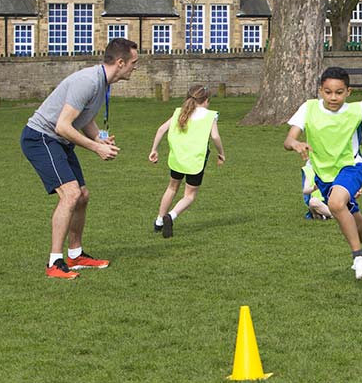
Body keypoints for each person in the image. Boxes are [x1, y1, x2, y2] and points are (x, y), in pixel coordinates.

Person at [20, 38, 138, 279]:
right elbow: (63, 126)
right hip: (40, 138)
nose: (136, 67)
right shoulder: (88, 82)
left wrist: (100, 138)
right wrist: (96, 148)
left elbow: (84, 117)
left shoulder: (103, 83)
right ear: (121, 62)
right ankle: (54, 262)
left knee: (82, 196)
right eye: (134, 62)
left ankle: (76, 255)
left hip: (58, 140)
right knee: (71, 194)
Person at [284, 67, 362, 287]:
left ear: (348, 92)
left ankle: (359, 257)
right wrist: (296, 143)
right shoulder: (308, 109)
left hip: (352, 167)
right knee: (356, 222)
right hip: (325, 177)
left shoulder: (356, 110)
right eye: (328, 92)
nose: (333, 97)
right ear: (320, 91)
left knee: (336, 204)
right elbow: (288, 140)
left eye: (338, 92)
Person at [148, 85, 226, 238]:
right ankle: (171, 216)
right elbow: (215, 137)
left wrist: (154, 149)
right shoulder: (210, 116)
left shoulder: (179, 112)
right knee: (189, 195)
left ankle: (159, 221)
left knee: (172, 188)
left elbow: (161, 129)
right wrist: (221, 153)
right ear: (206, 100)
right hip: (195, 160)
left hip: (178, 158)